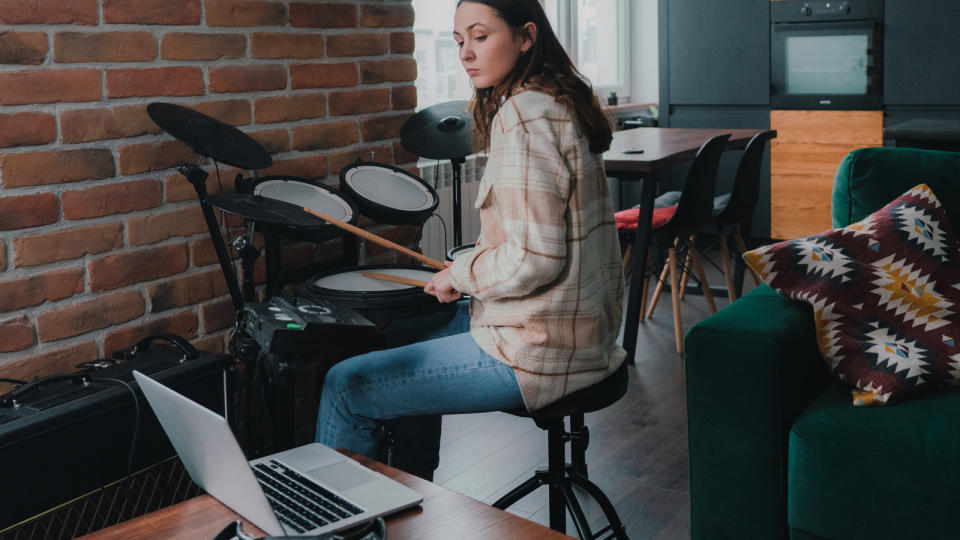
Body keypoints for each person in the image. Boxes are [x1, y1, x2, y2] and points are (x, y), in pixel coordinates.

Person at [315, 0, 626, 480]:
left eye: (480, 37)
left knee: (345, 384)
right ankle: (415, 496)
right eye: (460, 41)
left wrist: (461, 273)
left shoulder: (523, 115)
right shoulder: (556, 101)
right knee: (406, 333)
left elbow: (535, 259)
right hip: (585, 332)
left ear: (525, 37)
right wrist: (469, 271)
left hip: (544, 347)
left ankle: (344, 524)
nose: (465, 53)